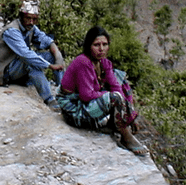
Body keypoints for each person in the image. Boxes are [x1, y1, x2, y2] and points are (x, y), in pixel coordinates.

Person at [56, 26, 149, 156]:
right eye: (96, 45)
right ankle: (125, 136)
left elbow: (116, 86)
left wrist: (128, 112)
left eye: (105, 44)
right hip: (74, 110)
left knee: (121, 80)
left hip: (86, 104)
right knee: (114, 97)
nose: (101, 49)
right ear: (89, 46)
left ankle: (117, 124)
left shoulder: (104, 62)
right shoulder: (83, 62)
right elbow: (86, 95)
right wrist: (111, 96)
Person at [0, 0, 65, 112]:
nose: (31, 22)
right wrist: (51, 66)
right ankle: (49, 100)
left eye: (34, 19)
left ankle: (64, 93)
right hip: (4, 72)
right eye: (28, 18)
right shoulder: (12, 31)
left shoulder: (30, 28)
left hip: (16, 66)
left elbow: (47, 41)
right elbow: (26, 54)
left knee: (51, 56)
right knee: (31, 62)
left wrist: (58, 58)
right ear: (21, 17)